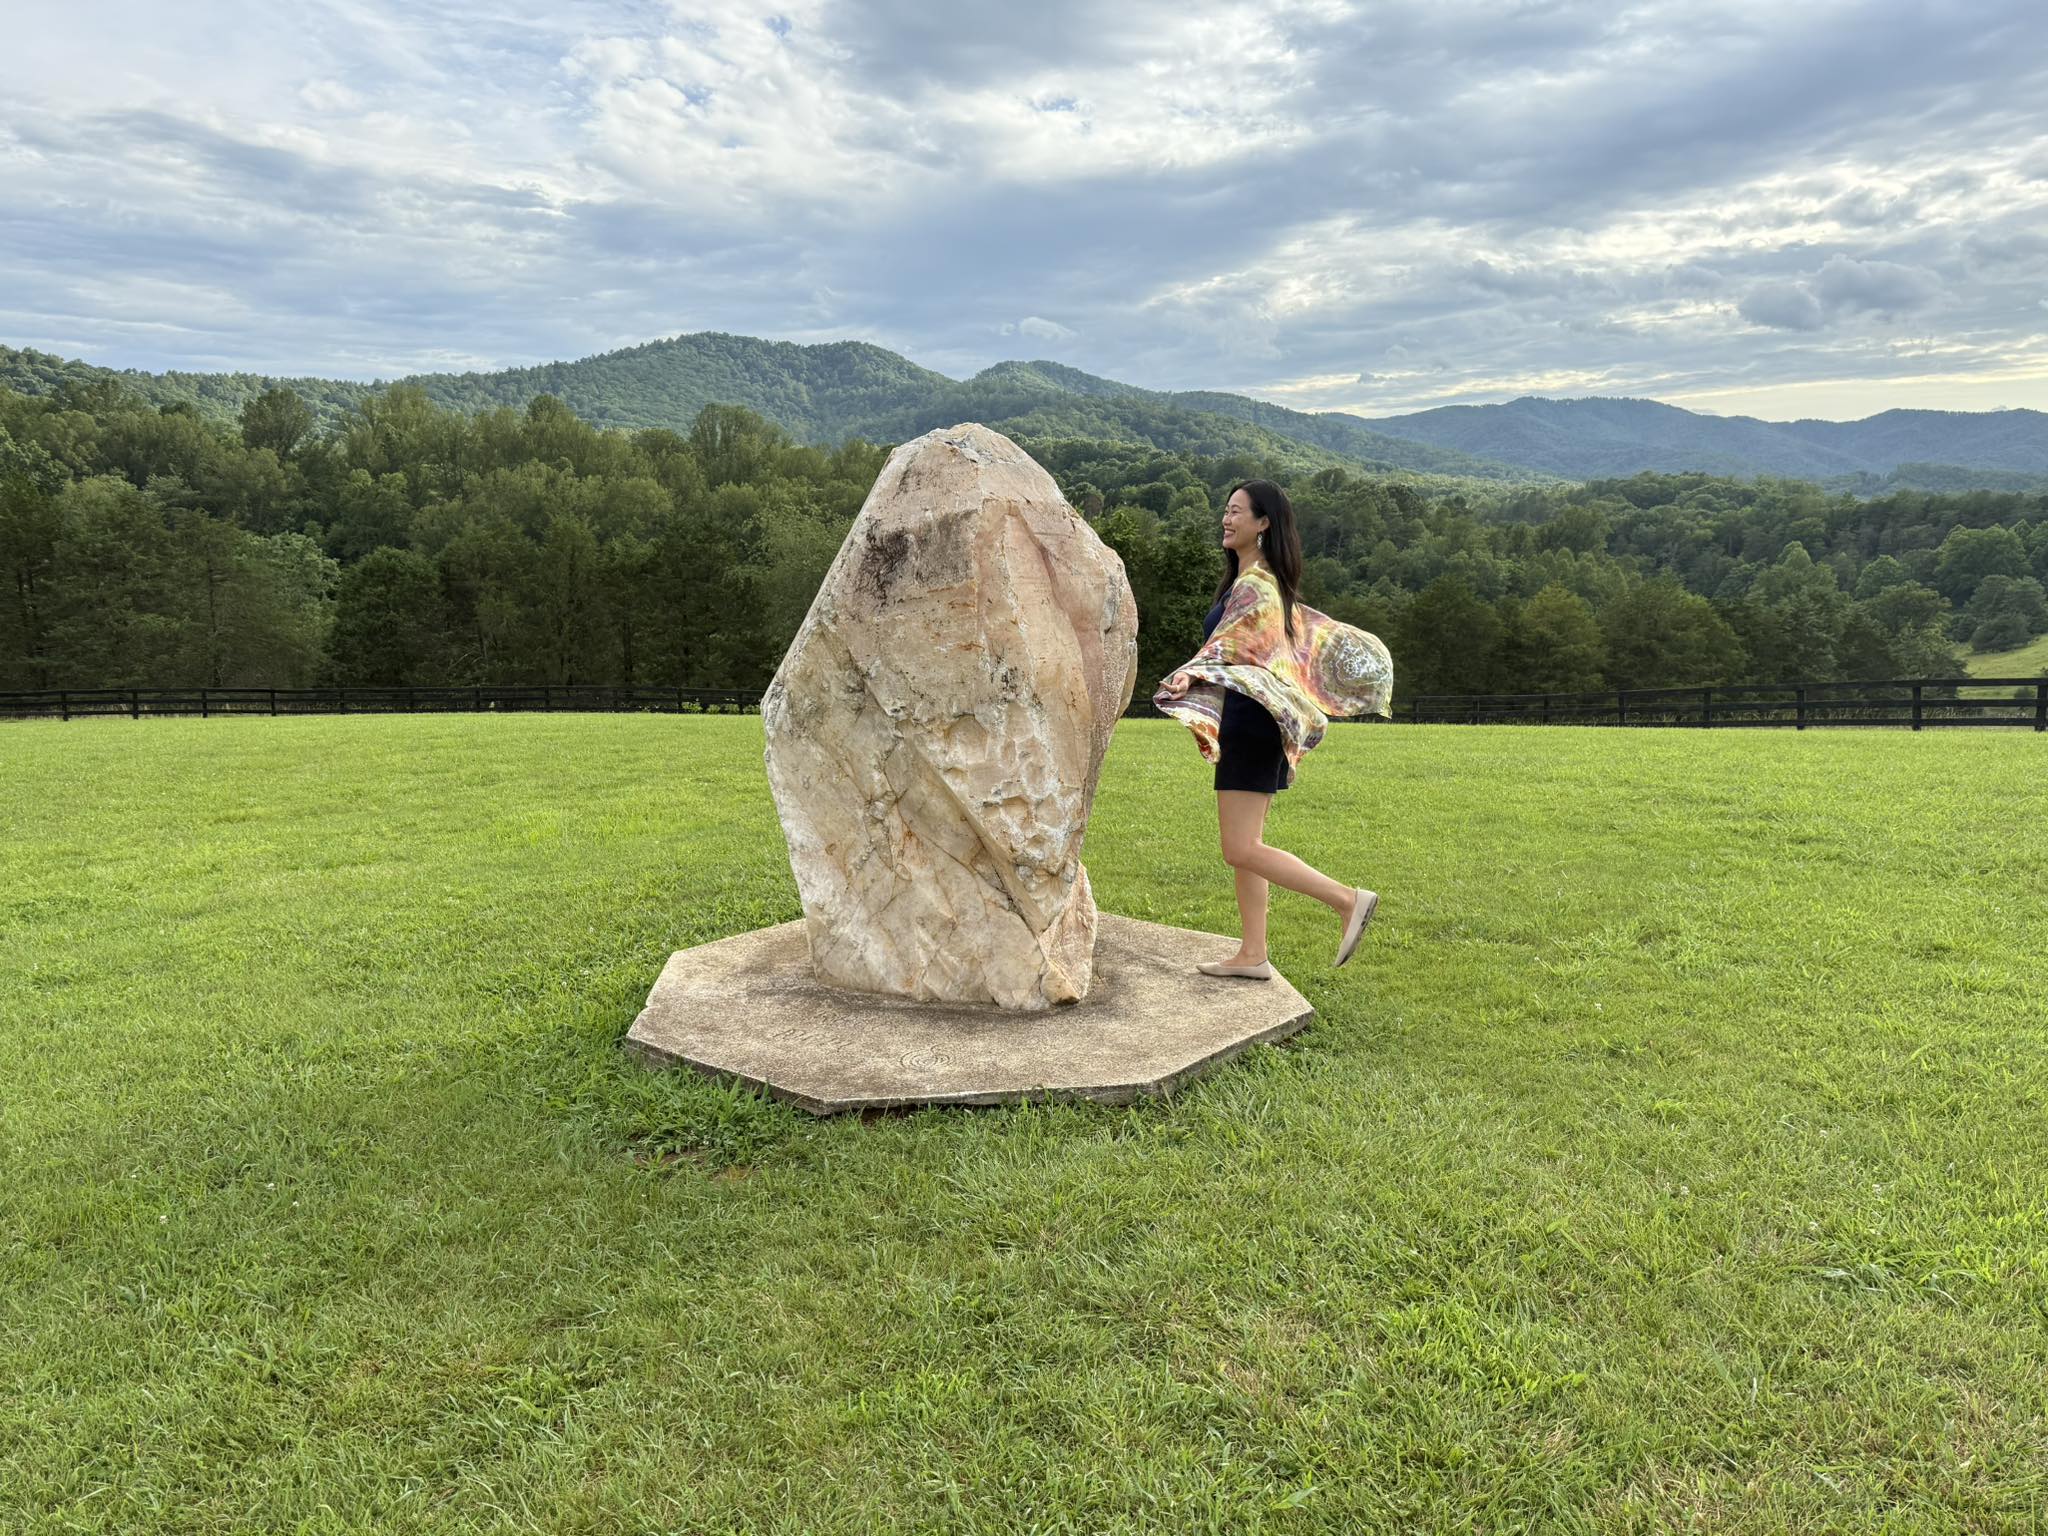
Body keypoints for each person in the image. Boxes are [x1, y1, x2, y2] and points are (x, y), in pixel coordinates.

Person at [1154, 480, 1394, 979]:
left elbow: (1232, 650)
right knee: (1248, 849)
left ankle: (1347, 900)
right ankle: (1253, 954)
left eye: (1237, 511)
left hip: (1252, 724)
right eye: (1226, 510)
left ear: (1263, 522)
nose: (1226, 519)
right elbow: (1239, 652)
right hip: (1252, 722)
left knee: (1239, 848)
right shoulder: (1254, 583)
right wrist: (1197, 672)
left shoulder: (1256, 586)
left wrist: (1190, 673)